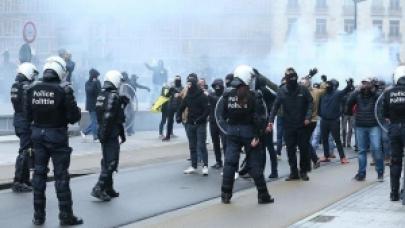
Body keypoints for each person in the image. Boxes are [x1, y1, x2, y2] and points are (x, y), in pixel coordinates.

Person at [26, 56, 82, 226]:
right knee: (61, 177)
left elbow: (27, 115)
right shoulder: (64, 90)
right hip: (57, 137)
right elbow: (73, 118)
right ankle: (66, 216)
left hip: (37, 136)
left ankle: (38, 216)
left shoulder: (32, 88)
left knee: (38, 176)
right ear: (60, 71)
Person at [218, 65, 274, 204]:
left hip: (232, 132)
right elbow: (260, 119)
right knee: (255, 165)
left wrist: (228, 130)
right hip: (249, 133)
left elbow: (221, 115)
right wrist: (258, 136)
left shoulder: (227, 95)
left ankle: (225, 195)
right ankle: (263, 195)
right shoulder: (255, 95)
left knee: (230, 164)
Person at [268, 67, 313, 181]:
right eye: (290, 77)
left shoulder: (303, 89)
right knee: (290, 150)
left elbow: (310, 102)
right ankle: (294, 172)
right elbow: (275, 106)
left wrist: (308, 117)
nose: (292, 79)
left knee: (303, 149)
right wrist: (270, 121)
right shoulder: (282, 91)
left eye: (294, 77)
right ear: (286, 79)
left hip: (302, 124)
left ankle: (303, 171)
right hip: (288, 125)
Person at [91, 70, 127, 202]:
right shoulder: (113, 96)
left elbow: (114, 117)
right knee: (111, 161)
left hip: (106, 131)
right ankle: (99, 188)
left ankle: (108, 188)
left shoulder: (102, 94)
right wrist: (106, 135)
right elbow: (109, 117)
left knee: (107, 160)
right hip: (109, 132)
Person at [347, 78, 384, 182]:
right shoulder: (357, 94)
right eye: (363, 83)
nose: (364, 85)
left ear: (371, 84)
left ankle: (380, 173)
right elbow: (349, 103)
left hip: (373, 125)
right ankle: (361, 174)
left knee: (376, 149)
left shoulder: (375, 93)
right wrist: (355, 91)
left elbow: (381, 101)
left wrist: (373, 90)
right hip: (360, 125)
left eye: (366, 83)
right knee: (361, 151)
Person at [10, 62, 38, 193]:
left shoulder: (15, 86)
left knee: (26, 150)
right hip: (25, 122)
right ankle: (18, 181)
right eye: (32, 74)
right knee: (24, 151)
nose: (33, 77)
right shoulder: (26, 87)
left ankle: (25, 180)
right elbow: (28, 107)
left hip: (18, 120)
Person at [176, 73, 209, 175]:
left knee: (201, 145)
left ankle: (205, 166)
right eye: (188, 84)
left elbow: (207, 110)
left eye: (190, 84)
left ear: (194, 84)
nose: (188, 86)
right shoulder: (188, 96)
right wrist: (178, 116)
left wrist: (200, 119)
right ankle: (194, 166)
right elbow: (182, 107)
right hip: (190, 123)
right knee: (192, 145)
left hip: (200, 124)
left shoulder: (202, 95)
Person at [318, 79, 353, 164]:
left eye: (329, 86)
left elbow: (346, 90)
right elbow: (319, 106)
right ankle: (326, 156)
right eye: (326, 86)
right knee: (324, 139)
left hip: (334, 121)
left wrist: (349, 84)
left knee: (337, 139)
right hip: (324, 120)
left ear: (332, 86)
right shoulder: (322, 95)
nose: (327, 87)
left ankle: (342, 157)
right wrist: (320, 114)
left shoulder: (337, 94)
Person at [383, 65, 405, 201]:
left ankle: (394, 193)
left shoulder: (388, 93)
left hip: (394, 130)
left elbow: (385, 115)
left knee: (395, 162)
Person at [299, 76, 327, 169]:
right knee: (305, 141)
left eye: (305, 82)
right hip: (307, 120)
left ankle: (313, 160)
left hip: (310, 120)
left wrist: (323, 81)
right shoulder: (301, 91)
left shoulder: (314, 91)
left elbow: (324, 88)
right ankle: (313, 160)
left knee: (304, 142)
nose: (303, 83)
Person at [208, 78, 226, 169]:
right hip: (212, 122)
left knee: (225, 142)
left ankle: (227, 161)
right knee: (215, 143)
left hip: (222, 123)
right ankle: (218, 161)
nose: (217, 88)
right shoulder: (211, 94)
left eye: (219, 86)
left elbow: (218, 101)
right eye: (216, 86)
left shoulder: (224, 95)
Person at [81, 68, 101, 141]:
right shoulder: (88, 83)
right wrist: (94, 83)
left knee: (96, 121)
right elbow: (90, 91)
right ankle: (95, 137)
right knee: (95, 121)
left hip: (97, 104)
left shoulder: (97, 82)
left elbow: (99, 92)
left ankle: (84, 132)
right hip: (91, 105)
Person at [163, 75, 183, 141]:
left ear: (180, 80)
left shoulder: (182, 87)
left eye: (178, 79)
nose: (177, 81)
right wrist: (169, 91)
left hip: (179, 106)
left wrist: (176, 90)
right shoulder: (172, 87)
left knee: (181, 120)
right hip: (171, 106)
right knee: (169, 121)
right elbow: (166, 96)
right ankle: (167, 136)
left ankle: (191, 135)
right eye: (176, 79)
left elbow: (182, 95)